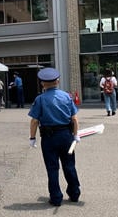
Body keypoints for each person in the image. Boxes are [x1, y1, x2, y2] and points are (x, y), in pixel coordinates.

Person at [28, 68, 81, 206]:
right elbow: (74, 119)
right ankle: (74, 193)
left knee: (52, 168)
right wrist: (76, 135)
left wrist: (32, 138)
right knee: (69, 165)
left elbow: (34, 121)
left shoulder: (40, 99)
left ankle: (56, 197)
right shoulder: (67, 97)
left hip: (49, 137)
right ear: (57, 81)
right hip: (66, 136)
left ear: (42, 83)